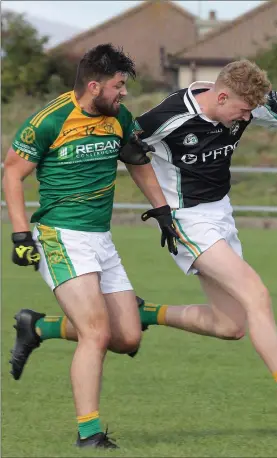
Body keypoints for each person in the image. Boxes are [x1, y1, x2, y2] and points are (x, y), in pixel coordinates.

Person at [9, 60, 277, 431]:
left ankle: (72, 323)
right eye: (241, 111)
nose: (246, 118)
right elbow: (121, 141)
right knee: (256, 294)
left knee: (231, 325)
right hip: (186, 220)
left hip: (221, 215)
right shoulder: (168, 117)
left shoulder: (248, 102)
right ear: (221, 96)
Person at [3, 43, 178, 449]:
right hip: (60, 237)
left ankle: (38, 326)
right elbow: (12, 173)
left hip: (101, 240)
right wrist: (19, 233)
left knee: (128, 338)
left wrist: (163, 210)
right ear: (94, 86)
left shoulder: (119, 118)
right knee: (96, 333)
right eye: (119, 86)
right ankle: (89, 434)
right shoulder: (51, 119)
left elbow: (137, 161)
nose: (125, 94)